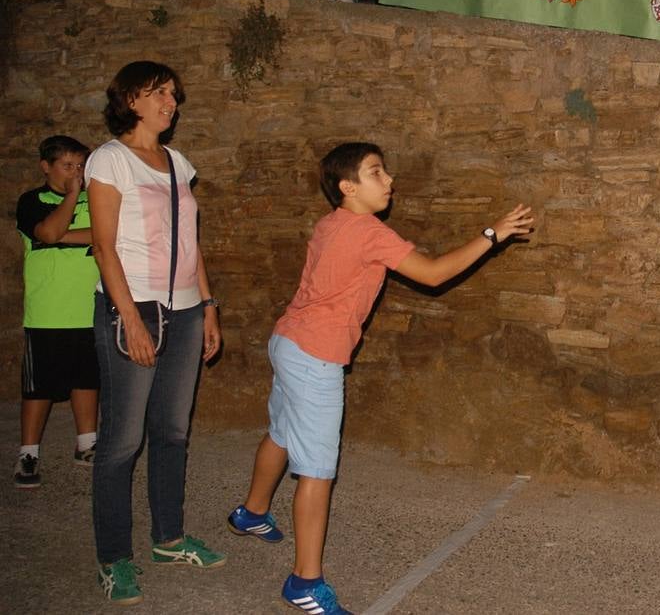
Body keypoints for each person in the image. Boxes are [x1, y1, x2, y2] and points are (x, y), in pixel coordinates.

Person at [226, 142, 533, 615]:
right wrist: (493, 234)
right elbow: (433, 274)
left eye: (385, 171)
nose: (389, 180)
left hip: (287, 341)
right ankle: (304, 582)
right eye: (376, 172)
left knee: (283, 431)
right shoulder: (368, 232)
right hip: (315, 356)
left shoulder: (331, 224)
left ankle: (252, 512)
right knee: (318, 471)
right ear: (348, 187)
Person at [87, 61, 224, 606]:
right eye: (159, 92)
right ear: (130, 100)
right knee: (122, 441)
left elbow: (191, 240)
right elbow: (103, 245)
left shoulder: (176, 162)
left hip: (186, 309)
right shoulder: (110, 160)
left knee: (172, 431)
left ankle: (169, 537)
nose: (171, 102)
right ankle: (114, 558)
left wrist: (208, 305)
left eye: (173, 94)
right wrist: (131, 319)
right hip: (133, 305)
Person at [15, 135, 102, 489]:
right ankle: (28, 454)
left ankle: (86, 445)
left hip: (89, 306)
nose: (76, 173)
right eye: (68, 166)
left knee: (87, 378)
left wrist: (60, 235)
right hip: (47, 312)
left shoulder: (95, 199)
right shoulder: (31, 201)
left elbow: (105, 234)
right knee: (39, 388)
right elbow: (47, 231)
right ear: (46, 167)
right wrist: (69, 200)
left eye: (80, 166)